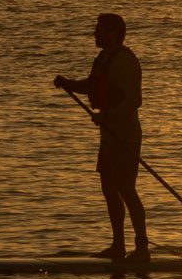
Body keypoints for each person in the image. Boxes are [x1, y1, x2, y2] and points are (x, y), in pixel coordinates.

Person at [54, 13, 147, 262]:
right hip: (108, 135)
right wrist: (70, 84)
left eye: (99, 29)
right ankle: (118, 246)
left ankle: (142, 248)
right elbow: (94, 86)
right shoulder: (103, 59)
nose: (95, 33)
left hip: (125, 134)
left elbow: (134, 101)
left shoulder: (126, 61)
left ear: (113, 32)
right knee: (108, 188)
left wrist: (109, 116)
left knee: (125, 188)